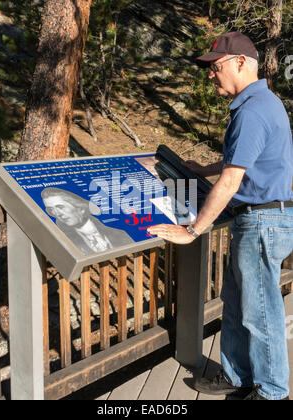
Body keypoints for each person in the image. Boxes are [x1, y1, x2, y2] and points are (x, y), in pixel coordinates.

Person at [148, 31, 293, 400]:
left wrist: (193, 230)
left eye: (215, 67)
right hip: (259, 219)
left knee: (260, 313)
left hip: (261, 222)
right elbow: (244, 162)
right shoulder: (262, 103)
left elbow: (232, 181)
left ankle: (272, 391)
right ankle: (236, 375)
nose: (210, 75)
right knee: (236, 301)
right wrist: (207, 168)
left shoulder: (254, 110)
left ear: (240, 63)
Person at [41, 187, 134, 255]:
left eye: (60, 207)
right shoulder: (67, 242)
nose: (57, 213)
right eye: (51, 209)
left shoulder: (119, 232)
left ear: (80, 208)